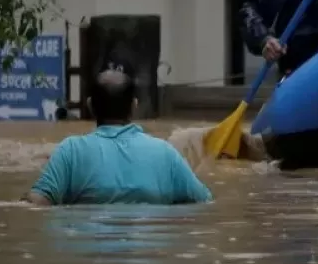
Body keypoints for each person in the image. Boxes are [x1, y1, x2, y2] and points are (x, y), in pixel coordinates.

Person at [23, 63, 213, 206]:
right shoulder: (165, 153)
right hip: (145, 254)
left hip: (88, 253)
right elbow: (204, 202)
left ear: (90, 106)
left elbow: (37, 203)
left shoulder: (70, 151)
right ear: (134, 105)